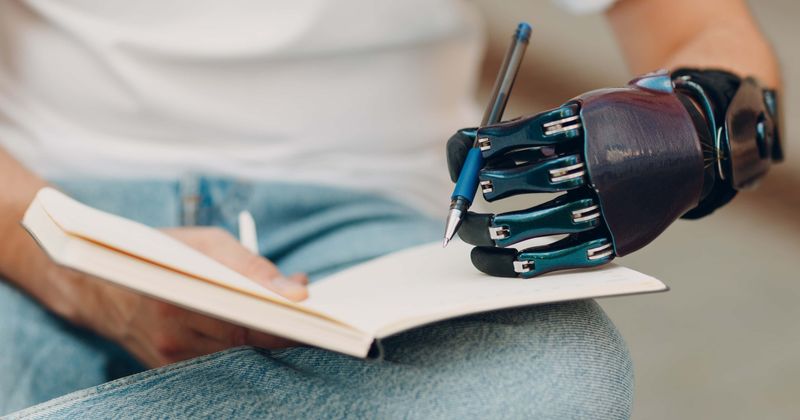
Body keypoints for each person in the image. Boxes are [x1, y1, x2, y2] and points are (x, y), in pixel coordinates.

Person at [0, 0, 780, 418]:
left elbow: (699, 24)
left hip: (371, 222)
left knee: (565, 374)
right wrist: (72, 275)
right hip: (47, 202)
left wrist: (698, 123)